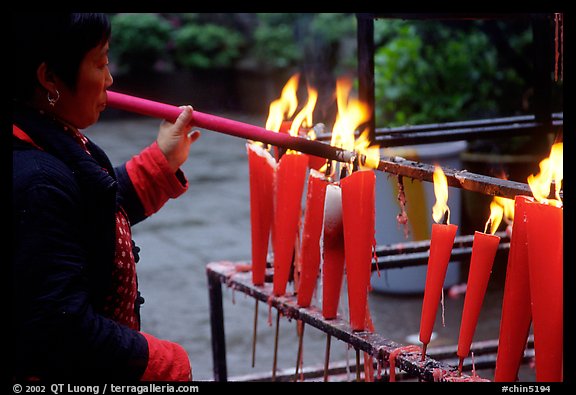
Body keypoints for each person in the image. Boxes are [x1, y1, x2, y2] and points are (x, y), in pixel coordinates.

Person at [12, 13, 201, 381]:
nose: (110, 79)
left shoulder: (45, 136)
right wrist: (168, 363)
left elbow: (88, 216)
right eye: (99, 63)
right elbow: (64, 330)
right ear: (49, 77)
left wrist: (160, 161)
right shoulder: (35, 182)